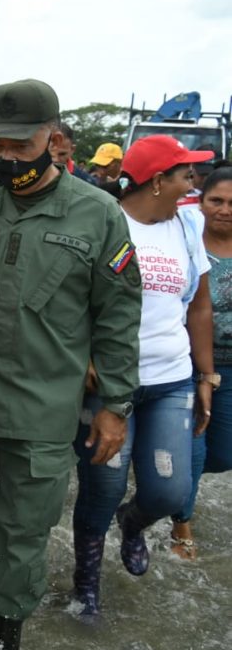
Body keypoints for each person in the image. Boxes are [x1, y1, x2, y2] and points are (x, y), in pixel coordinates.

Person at [0, 79, 142, 650]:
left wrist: (115, 407)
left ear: (54, 141)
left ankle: (5, 647)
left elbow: (119, 315)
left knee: (23, 536)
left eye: (19, 147)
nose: (5, 158)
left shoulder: (97, 214)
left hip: (42, 410)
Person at [71, 135, 214, 619]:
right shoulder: (103, 223)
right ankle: (86, 583)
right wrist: (84, 355)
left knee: (169, 492)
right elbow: (70, 298)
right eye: (184, 175)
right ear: (158, 180)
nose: (191, 184)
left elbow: (198, 304)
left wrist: (206, 374)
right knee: (102, 488)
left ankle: (131, 526)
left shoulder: (187, 226)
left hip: (170, 379)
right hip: (110, 383)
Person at [169, 166, 232, 558]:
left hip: (231, 368)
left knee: (223, 454)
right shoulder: (185, 240)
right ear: (201, 202)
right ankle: (181, 522)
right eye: (217, 201)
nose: (225, 210)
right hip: (189, 364)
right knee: (194, 446)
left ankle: (170, 480)